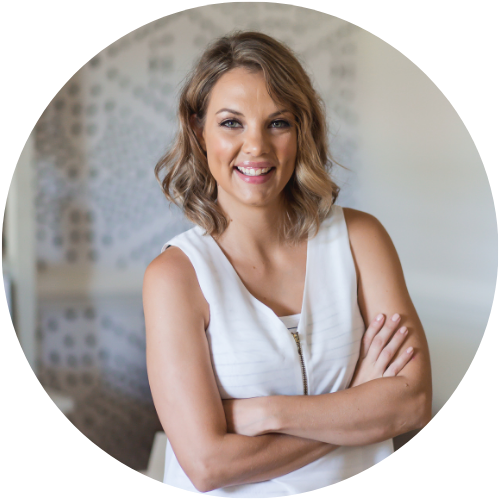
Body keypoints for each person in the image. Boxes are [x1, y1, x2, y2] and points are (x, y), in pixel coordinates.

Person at [143, 31, 432, 496]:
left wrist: (268, 412)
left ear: (301, 131)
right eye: (231, 123)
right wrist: (356, 407)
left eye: (277, 122)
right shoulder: (174, 277)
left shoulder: (361, 239)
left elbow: (413, 404)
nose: (255, 146)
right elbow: (208, 465)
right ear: (199, 132)